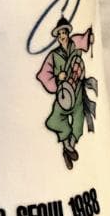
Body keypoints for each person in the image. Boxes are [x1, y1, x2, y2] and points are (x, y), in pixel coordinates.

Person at [35, 15, 98, 170]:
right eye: (60, 34)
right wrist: (58, 78)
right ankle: (68, 148)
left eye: (64, 32)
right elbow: (43, 75)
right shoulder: (53, 55)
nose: (62, 36)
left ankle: (69, 147)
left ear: (68, 33)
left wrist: (90, 37)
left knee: (78, 120)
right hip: (63, 95)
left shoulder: (75, 43)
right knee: (56, 120)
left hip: (77, 92)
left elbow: (86, 39)